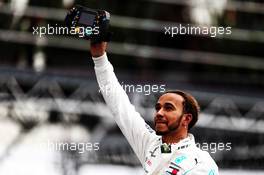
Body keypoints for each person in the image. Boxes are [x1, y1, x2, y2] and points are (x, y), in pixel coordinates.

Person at [90, 42, 219, 175]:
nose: (159, 113)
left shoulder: (202, 162)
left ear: (186, 118)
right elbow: (119, 105)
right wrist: (99, 59)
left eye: (168, 108)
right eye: (158, 108)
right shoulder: (151, 143)